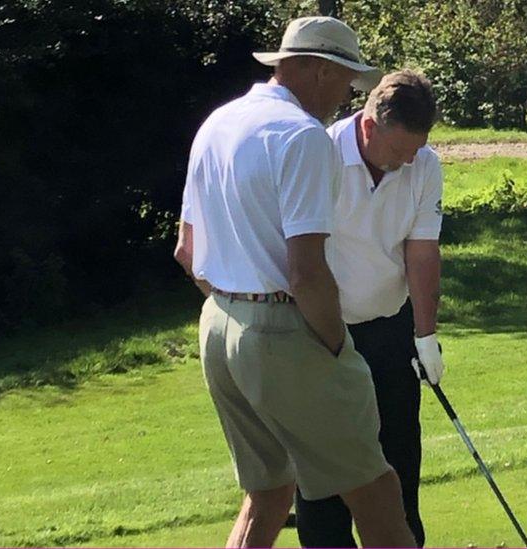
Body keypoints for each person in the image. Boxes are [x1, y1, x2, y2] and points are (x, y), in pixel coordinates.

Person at [173, 16, 415, 548]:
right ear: (321, 72)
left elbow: (187, 252)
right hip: (283, 330)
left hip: (218, 324)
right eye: (347, 81)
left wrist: (237, 307)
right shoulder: (304, 137)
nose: (347, 95)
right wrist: (334, 343)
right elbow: (306, 271)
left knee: (269, 493)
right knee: (377, 491)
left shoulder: (217, 122)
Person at [294, 70, 444, 548]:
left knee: (400, 462)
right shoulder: (320, 156)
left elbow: (421, 252)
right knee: (324, 477)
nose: (410, 159)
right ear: (367, 126)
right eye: (401, 149)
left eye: (417, 148)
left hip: (390, 331)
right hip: (322, 335)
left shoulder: (424, 164)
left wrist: (425, 335)